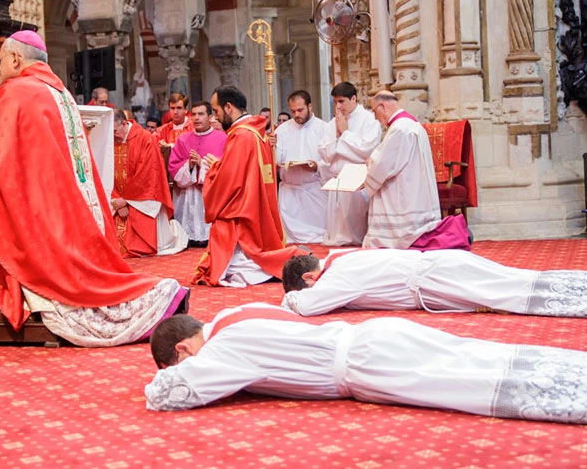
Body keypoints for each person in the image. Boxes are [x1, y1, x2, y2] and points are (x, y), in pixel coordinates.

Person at [0, 30, 188, 347]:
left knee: (69, 281)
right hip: (70, 203)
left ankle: (151, 296)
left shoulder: (17, 92)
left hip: (44, 209)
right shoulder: (59, 93)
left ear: (16, 59)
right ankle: (154, 295)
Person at [145, 303, 587, 425]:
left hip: (366, 364)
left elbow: (169, 395)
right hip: (374, 334)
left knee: (471, 383)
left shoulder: (221, 349)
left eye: (178, 363)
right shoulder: (232, 313)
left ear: (183, 350)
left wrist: (164, 377)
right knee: (481, 355)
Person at [193, 86, 307, 287]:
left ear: (228, 107)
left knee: (238, 261)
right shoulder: (255, 132)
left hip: (242, 209)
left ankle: (294, 260)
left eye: (217, 111)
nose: (215, 118)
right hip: (254, 201)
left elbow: (230, 180)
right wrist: (220, 166)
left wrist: (213, 169)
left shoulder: (242, 136)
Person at [281, 248, 587, 317]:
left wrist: (288, 299)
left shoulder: (337, 275)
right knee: (519, 281)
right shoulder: (341, 258)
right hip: (440, 267)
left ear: (310, 277)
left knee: (513, 294)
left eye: (309, 285)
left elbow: (309, 306)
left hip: (440, 277)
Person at [363, 90, 443, 248]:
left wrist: (370, 163)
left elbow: (383, 166)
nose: (375, 117)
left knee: (400, 237)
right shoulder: (412, 124)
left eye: (374, 111)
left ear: (382, 106)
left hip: (404, 192)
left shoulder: (399, 129)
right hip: (415, 186)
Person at [111, 109, 188, 257]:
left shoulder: (145, 139)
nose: (113, 136)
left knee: (135, 244)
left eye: (114, 131)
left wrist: (126, 201)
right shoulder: (109, 140)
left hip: (139, 201)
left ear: (124, 123)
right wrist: (115, 199)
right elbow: (105, 172)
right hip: (116, 201)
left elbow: (148, 175)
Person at [318, 82, 381, 246]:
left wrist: (345, 133)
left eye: (341, 101)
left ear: (354, 98)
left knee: (356, 228)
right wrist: (338, 136)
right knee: (337, 230)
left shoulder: (369, 120)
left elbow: (367, 150)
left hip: (356, 180)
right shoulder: (333, 122)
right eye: (335, 102)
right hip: (338, 178)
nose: (338, 107)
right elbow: (324, 151)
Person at [167, 101, 227, 247]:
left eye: (201, 114)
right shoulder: (183, 140)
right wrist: (190, 165)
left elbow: (226, 169)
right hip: (188, 193)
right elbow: (173, 167)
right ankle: (189, 237)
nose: (196, 118)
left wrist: (202, 164)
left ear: (210, 117)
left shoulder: (222, 139)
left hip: (210, 193)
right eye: (193, 114)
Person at [275, 90, 328, 244]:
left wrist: (316, 165)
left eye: (300, 110)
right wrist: (271, 147)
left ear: (310, 106)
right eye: (293, 111)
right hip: (290, 192)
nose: (296, 114)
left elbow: (331, 160)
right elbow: (277, 159)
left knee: (318, 241)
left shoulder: (324, 128)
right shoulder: (282, 130)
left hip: (314, 191)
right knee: (292, 243)